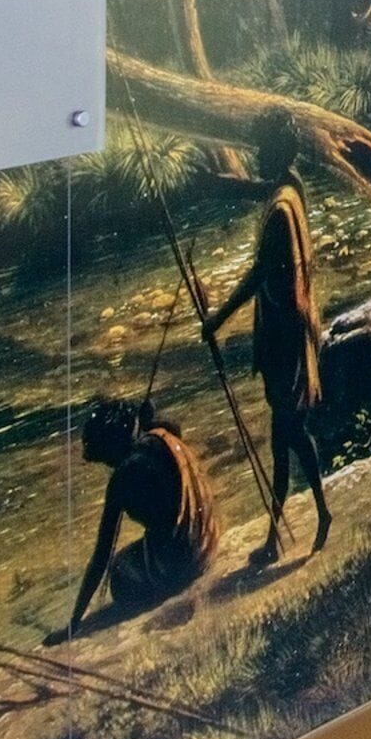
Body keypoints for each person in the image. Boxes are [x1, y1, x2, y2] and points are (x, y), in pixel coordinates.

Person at [201, 182, 332, 562]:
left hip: (284, 339)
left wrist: (218, 320)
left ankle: (289, 531)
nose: (258, 157)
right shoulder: (292, 192)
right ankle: (292, 527)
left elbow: (260, 274)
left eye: (264, 148)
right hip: (291, 334)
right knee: (289, 435)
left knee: (286, 435)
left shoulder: (279, 210)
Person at [60, 395, 216, 639]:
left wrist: (74, 622)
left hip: (184, 561)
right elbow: (171, 428)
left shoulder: (123, 477)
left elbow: (102, 555)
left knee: (120, 572)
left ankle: (162, 592)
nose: (107, 465)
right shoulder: (162, 434)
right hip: (207, 543)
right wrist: (147, 421)